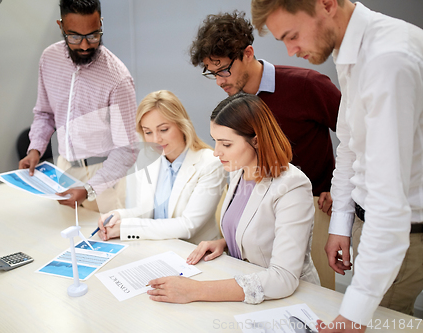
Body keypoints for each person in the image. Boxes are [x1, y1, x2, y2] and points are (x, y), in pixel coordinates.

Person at [251, 0, 423, 331]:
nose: (290, 51)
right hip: (371, 221)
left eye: (292, 35)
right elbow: (350, 146)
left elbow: (390, 204)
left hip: (403, 231)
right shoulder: (350, 51)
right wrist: (341, 224)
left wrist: (352, 317)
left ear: (327, 5)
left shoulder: (387, 60)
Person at [189, 11, 341, 289]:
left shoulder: (308, 85)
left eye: (224, 70)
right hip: (263, 211)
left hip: (316, 203)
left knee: (314, 295)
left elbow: (357, 138)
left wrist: (340, 184)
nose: (220, 81)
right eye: (213, 73)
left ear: (248, 53)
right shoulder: (235, 105)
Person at [147, 93, 319, 304]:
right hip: (243, 288)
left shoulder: (292, 186)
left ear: (256, 141)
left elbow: (282, 278)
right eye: (215, 142)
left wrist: (195, 291)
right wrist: (226, 242)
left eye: (226, 144)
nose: (216, 152)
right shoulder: (239, 170)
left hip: (289, 299)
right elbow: (257, 229)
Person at [19, 0, 138, 213]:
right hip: (63, 168)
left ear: (101, 24)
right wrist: (35, 149)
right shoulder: (49, 59)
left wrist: (90, 189)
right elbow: (45, 114)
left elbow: (127, 150)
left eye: (93, 35)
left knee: (101, 240)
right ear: (60, 26)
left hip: (103, 176)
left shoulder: (118, 78)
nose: (84, 45)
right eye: (74, 36)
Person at [97, 90, 226, 244]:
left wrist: (126, 228)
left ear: (181, 125)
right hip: (159, 248)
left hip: (195, 252)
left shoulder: (210, 163)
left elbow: (187, 226)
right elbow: (146, 212)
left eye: (163, 130)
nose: (156, 139)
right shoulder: (148, 158)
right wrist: (118, 216)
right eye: (148, 132)